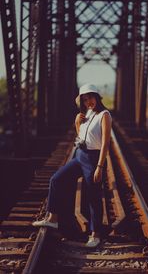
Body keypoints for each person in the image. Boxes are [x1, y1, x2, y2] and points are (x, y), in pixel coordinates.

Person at [32, 84, 112, 248]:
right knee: (57, 179)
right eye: (84, 99)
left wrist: (100, 166)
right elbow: (82, 137)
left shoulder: (104, 115)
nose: (88, 101)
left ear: (96, 96)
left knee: (93, 196)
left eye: (90, 97)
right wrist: (77, 123)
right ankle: (52, 219)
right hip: (80, 155)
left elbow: (105, 143)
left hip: (93, 158)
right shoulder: (86, 114)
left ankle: (95, 234)